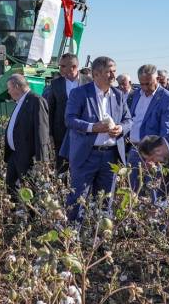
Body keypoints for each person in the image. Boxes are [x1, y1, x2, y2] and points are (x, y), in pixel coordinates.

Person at [60, 56, 132, 222]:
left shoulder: (118, 95)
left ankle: (100, 243)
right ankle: (72, 241)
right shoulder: (79, 93)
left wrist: (121, 128)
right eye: (109, 72)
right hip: (86, 155)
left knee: (106, 201)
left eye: (114, 71)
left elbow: (129, 120)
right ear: (96, 74)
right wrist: (93, 127)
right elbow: (70, 119)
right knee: (77, 200)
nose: (114, 76)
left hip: (110, 156)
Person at [128, 64, 169, 199]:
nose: (145, 88)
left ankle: (154, 218)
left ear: (158, 79)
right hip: (134, 148)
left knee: (153, 191)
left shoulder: (167, 99)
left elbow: (167, 129)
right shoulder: (136, 94)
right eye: (141, 84)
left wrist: (155, 156)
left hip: (152, 153)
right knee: (132, 193)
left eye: (148, 84)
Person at [4, 74, 51, 206]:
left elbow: (42, 130)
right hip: (15, 154)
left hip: (28, 156)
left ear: (17, 86)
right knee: (11, 185)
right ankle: (16, 214)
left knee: (29, 189)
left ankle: (31, 218)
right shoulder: (21, 101)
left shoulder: (36, 101)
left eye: (9, 88)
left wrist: (42, 159)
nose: (8, 92)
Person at [46, 53, 91, 178]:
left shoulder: (89, 82)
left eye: (63, 66)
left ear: (74, 66)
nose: (60, 68)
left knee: (82, 166)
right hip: (61, 132)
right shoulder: (56, 84)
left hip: (83, 133)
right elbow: (51, 108)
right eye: (60, 65)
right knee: (62, 167)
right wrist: (49, 132)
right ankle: (62, 192)